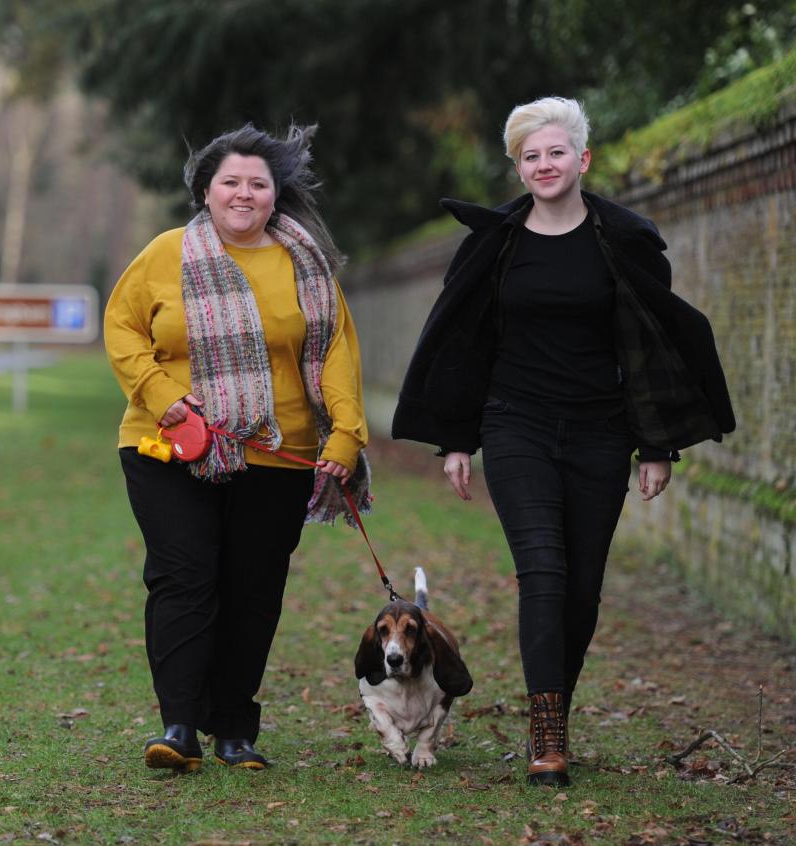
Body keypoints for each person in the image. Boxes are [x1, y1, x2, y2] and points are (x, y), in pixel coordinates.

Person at [392, 97, 734, 786]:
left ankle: (555, 708)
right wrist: (457, 438)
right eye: (529, 156)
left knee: (580, 589)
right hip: (514, 423)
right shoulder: (495, 245)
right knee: (543, 572)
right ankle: (548, 735)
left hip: (599, 432)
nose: (543, 165)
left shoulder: (624, 242)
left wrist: (657, 443)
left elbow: (651, 344)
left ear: (583, 159)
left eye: (555, 152)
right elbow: (465, 344)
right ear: (518, 167)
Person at [104, 123, 371, 773]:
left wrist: (346, 432)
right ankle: (179, 724)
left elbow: (335, 350)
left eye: (258, 183)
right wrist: (163, 394)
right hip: (168, 446)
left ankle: (234, 728)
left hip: (280, 454)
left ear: (275, 195)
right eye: (231, 182)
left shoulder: (306, 265)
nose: (244, 194)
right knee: (185, 575)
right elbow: (123, 328)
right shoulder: (165, 254)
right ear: (205, 190)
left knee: (252, 589)